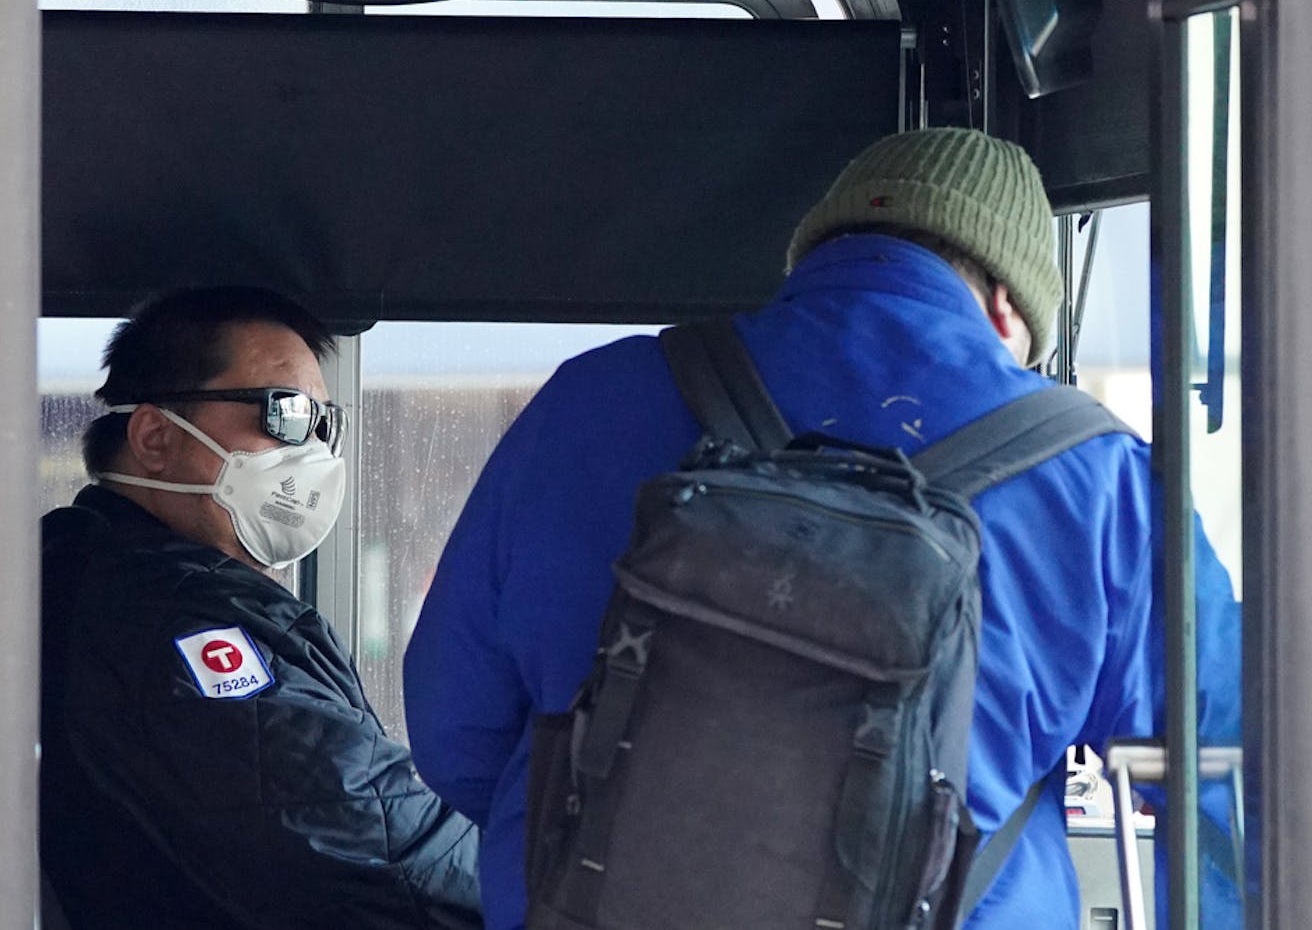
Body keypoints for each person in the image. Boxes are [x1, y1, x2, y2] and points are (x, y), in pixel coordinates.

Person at [402, 128, 1241, 928]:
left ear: (818, 257)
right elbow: (1231, 790)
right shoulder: (1103, 482)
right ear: (1002, 306)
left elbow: (455, 731)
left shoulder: (587, 403)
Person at [40, 286, 482, 929]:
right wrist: (550, 874)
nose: (315, 453)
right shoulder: (163, 620)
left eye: (325, 424)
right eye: (286, 415)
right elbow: (362, 830)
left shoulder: (139, 582)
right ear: (156, 437)